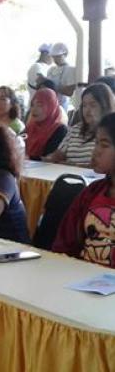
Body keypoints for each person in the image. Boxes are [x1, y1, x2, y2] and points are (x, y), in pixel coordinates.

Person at [52, 113, 115, 268]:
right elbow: (64, 244)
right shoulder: (91, 193)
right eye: (96, 143)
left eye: (104, 145)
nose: (96, 151)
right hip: (82, 275)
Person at [44, 83, 115, 167]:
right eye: (84, 105)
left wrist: (74, 166)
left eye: (93, 105)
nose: (87, 110)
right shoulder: (75, 129)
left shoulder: (110, 132)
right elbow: (58, 154)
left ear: (105, 106)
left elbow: (106, 166)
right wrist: (49, 159)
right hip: (68, 173)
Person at [25, 88, 68, 160]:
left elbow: (49, 159)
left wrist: (27, 158)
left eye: (39, 105)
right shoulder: (30, 127)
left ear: (51, 106)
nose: (34, 109)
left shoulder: (60, 130)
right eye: (32, 105)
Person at [43, 42, 76, 111]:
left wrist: (51, 85)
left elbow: (69, 92)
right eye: (54, 56)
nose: (55, 59)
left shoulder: (70, 70)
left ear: (65, 54)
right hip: (49, 105)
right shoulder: (51, 70)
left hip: (61, 107)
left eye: (58, 56)